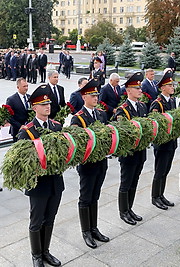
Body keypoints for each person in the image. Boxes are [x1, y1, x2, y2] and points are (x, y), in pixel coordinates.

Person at [18, 85, 64, 267]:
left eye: (49, 103)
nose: (47, 106)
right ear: (34, 107)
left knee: (50, 218)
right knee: (36, 220)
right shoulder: (26, 131)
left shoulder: (57, 126)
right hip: (38, 185)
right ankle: (36, 255)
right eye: (43, 104)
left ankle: (46, 251)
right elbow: (22, 161)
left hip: (55, 183)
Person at [71, 79, 110, 249]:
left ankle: (94, 228)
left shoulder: (101, 114)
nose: (96, 97)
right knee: (85, 198)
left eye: (97, 95)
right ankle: (86, 231)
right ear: (84, 96)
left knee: (95, 196)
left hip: (101, 163)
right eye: (93, 95)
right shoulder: (78, 119)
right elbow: (77, 144)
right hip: (87, 165)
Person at [113, 72, 147, 225]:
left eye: (140, 87)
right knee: (126, 182)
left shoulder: (142, 106)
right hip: (129, 154)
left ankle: (130, 208)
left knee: (135, 181)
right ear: (128, 90)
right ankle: (123, 211)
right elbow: (123, 133)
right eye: (136, 88)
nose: (140, 90)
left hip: (140, 152)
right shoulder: (122, 110)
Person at [149, 70, 177, 210]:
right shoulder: (157, 103)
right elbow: (155, 125)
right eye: (170, 85)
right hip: (162, 143)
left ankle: (161, 195)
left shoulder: (172, 100)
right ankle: (155, 197)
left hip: (171, 142)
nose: (172, 87)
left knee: (166, 170)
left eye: (172, 85)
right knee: (160, 170)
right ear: (163, 88)